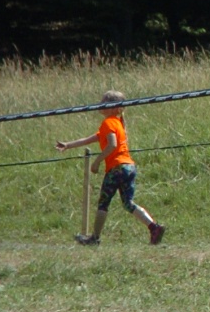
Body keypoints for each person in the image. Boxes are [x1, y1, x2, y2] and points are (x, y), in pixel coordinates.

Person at [55, 91, 166, 245]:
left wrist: (97, 162)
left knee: (103, 203)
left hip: (116, 168)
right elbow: (89, 139)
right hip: (129, 167)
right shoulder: (116, 123)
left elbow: (112, 145)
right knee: (128, 203)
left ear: (113, 107)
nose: (100, 104)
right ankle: (154, 227)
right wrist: (68, 145)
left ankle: (94, 238)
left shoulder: (108, 123)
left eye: (104, 102)